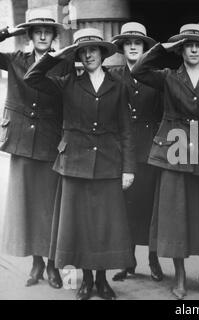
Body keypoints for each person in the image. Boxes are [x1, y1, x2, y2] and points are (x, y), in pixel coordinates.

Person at [24, 28, 136, 300]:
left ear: (102, 53)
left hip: (109, 163)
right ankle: (85, 281)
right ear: (77, 55)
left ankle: (102, 280)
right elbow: (33, 77)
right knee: (81, 225)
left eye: (93, 50)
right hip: (74, 162)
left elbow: (126, 130)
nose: (88, 55)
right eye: (82, 51)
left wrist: (128, 168)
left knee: (104, 226)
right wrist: (57, 55)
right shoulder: (67, 83)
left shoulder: (118, 86)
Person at [131, 23, 199, 300]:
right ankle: (179, 278)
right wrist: (160, 47)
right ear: (181, 50)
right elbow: (137, 71)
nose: (195, 49)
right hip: (173, 151)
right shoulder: (167, 76)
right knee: (176, 217)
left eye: (198, 45)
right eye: (188, 45)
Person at [0, 8, 74, 289]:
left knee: (50, 207)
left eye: (48, 31)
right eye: (37, 31)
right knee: (26, 205)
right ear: (30, 35)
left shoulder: (64, 62)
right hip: (21, 142)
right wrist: (8, 32)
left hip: (51, 143)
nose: (43, 35)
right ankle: (36, 263)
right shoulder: (15, 59)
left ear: (54, 35)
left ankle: (53, 265)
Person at [109, 22, 164, 283]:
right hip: (121, 152)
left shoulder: (157, 76)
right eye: (128, 42)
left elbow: (166, 113)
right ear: (121, 47)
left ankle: (153, 260)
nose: (133, 46)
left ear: (145, 48)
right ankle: (126, 261)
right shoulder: (113, 75)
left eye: (138, 42)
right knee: (125, 209)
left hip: (150, 150)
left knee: (151, 207)